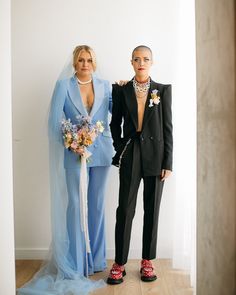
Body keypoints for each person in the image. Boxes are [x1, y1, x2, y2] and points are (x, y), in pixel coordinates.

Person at [18, 45, 113, 295]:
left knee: (96, 205)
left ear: (94, 62)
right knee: (74, 204)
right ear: (74, 62)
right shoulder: (63, 86)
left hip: (101, 153)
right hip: (74, 154)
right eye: (81, 60)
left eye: (89, 59)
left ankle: (96, 261)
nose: (85, 63)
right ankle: (77, 262)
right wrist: (72, 142)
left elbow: (116, 112)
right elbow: (54, 123)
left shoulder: (106, 86)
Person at [107, 45, 173, 284]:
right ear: (131, 62)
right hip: (131, 151)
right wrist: (120, 146)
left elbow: (168, 129)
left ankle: (147, 260)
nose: (141, 62)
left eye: (146, 59)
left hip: (156, 156)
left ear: (152, 62)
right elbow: (114, 123)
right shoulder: (121, 89)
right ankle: (119, 262)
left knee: (152, 210)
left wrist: (168, 162)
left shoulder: (163, 90)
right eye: (137, 59)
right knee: (125, 208)